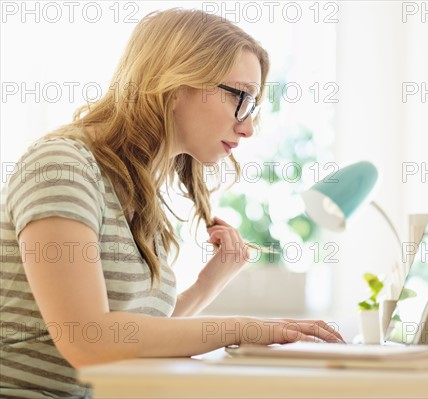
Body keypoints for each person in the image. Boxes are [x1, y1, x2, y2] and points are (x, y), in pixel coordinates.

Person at [0, 8, 344, 398]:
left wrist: (208, 285)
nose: (248, 127)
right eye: (242, 98)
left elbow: (133, 338)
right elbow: (89, 341)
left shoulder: (134, 191)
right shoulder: (62, 166)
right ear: (176, 82)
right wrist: (244, 327)